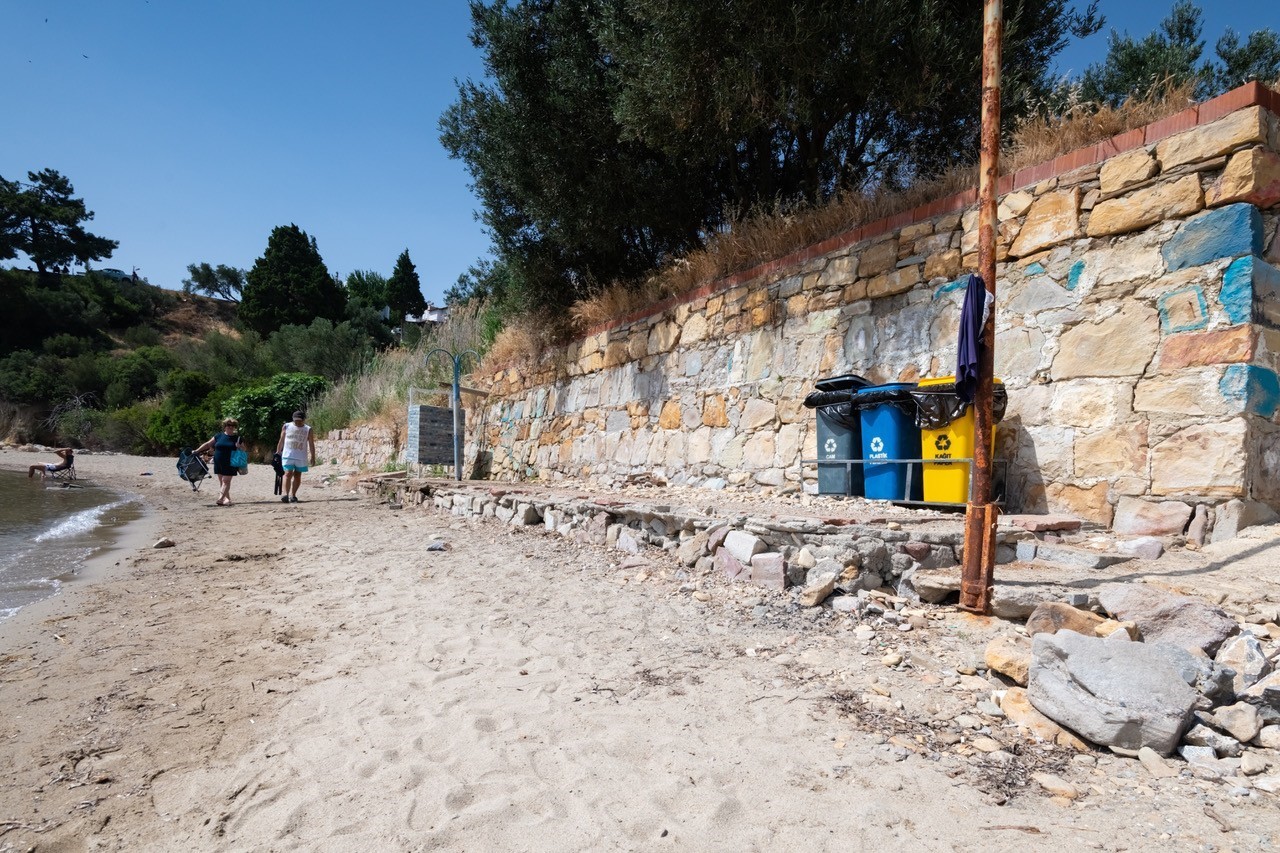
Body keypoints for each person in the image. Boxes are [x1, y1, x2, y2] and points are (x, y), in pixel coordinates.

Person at [194, 418, 244, 506]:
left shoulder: (238, 438)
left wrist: (239, 447)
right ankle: (227, 499)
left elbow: (244, 450)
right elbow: (208, 444)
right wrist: (197, 451)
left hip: (232, 461)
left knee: (226, 481)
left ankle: (220, 499)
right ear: (225, 426)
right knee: (222, 481)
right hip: (218, 461)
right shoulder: (218, 436)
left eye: (233, 426)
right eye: (228, 425)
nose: (230, 427)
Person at [275, 410, 315, 503]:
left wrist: (313, 456)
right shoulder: (286, 426)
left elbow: (311, 444)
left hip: (301, 456)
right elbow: (281, 440)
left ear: (303, 420)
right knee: (287, 473)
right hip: (288, 455)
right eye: (295, 420)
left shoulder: (308, 429)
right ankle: (285, 494)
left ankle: (293, 495)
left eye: (299, 420)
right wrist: (278, 451)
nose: (297, 422)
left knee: (297, 475)